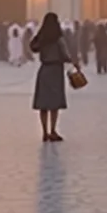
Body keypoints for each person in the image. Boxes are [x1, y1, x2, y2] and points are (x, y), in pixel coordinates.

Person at [30, 11, 77, 143]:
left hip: (44, 69)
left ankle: (44, 132)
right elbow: (65, 54)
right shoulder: (58, 38)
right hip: (56, 70)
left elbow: (33, 47)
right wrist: (73, 62)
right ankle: (53, 130)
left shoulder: (42, 37)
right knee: (54, 103)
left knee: (43, 103)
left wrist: (39, 36)